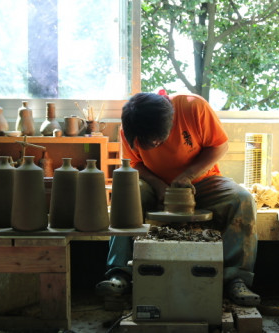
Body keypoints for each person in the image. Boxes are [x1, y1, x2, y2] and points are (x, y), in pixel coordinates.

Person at [96, 92, 260, 306]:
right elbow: (134, 164)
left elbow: (220, 146)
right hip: (155, 186)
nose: (154, 146)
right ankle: (120, 274)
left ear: (169, 124)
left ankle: (235, 278)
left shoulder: (193, 107)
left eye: (155, 142)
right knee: (127, 194)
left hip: (201, 181)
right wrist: (158, 185)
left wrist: (187, 176)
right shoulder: (131, 127)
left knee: (243, 199)